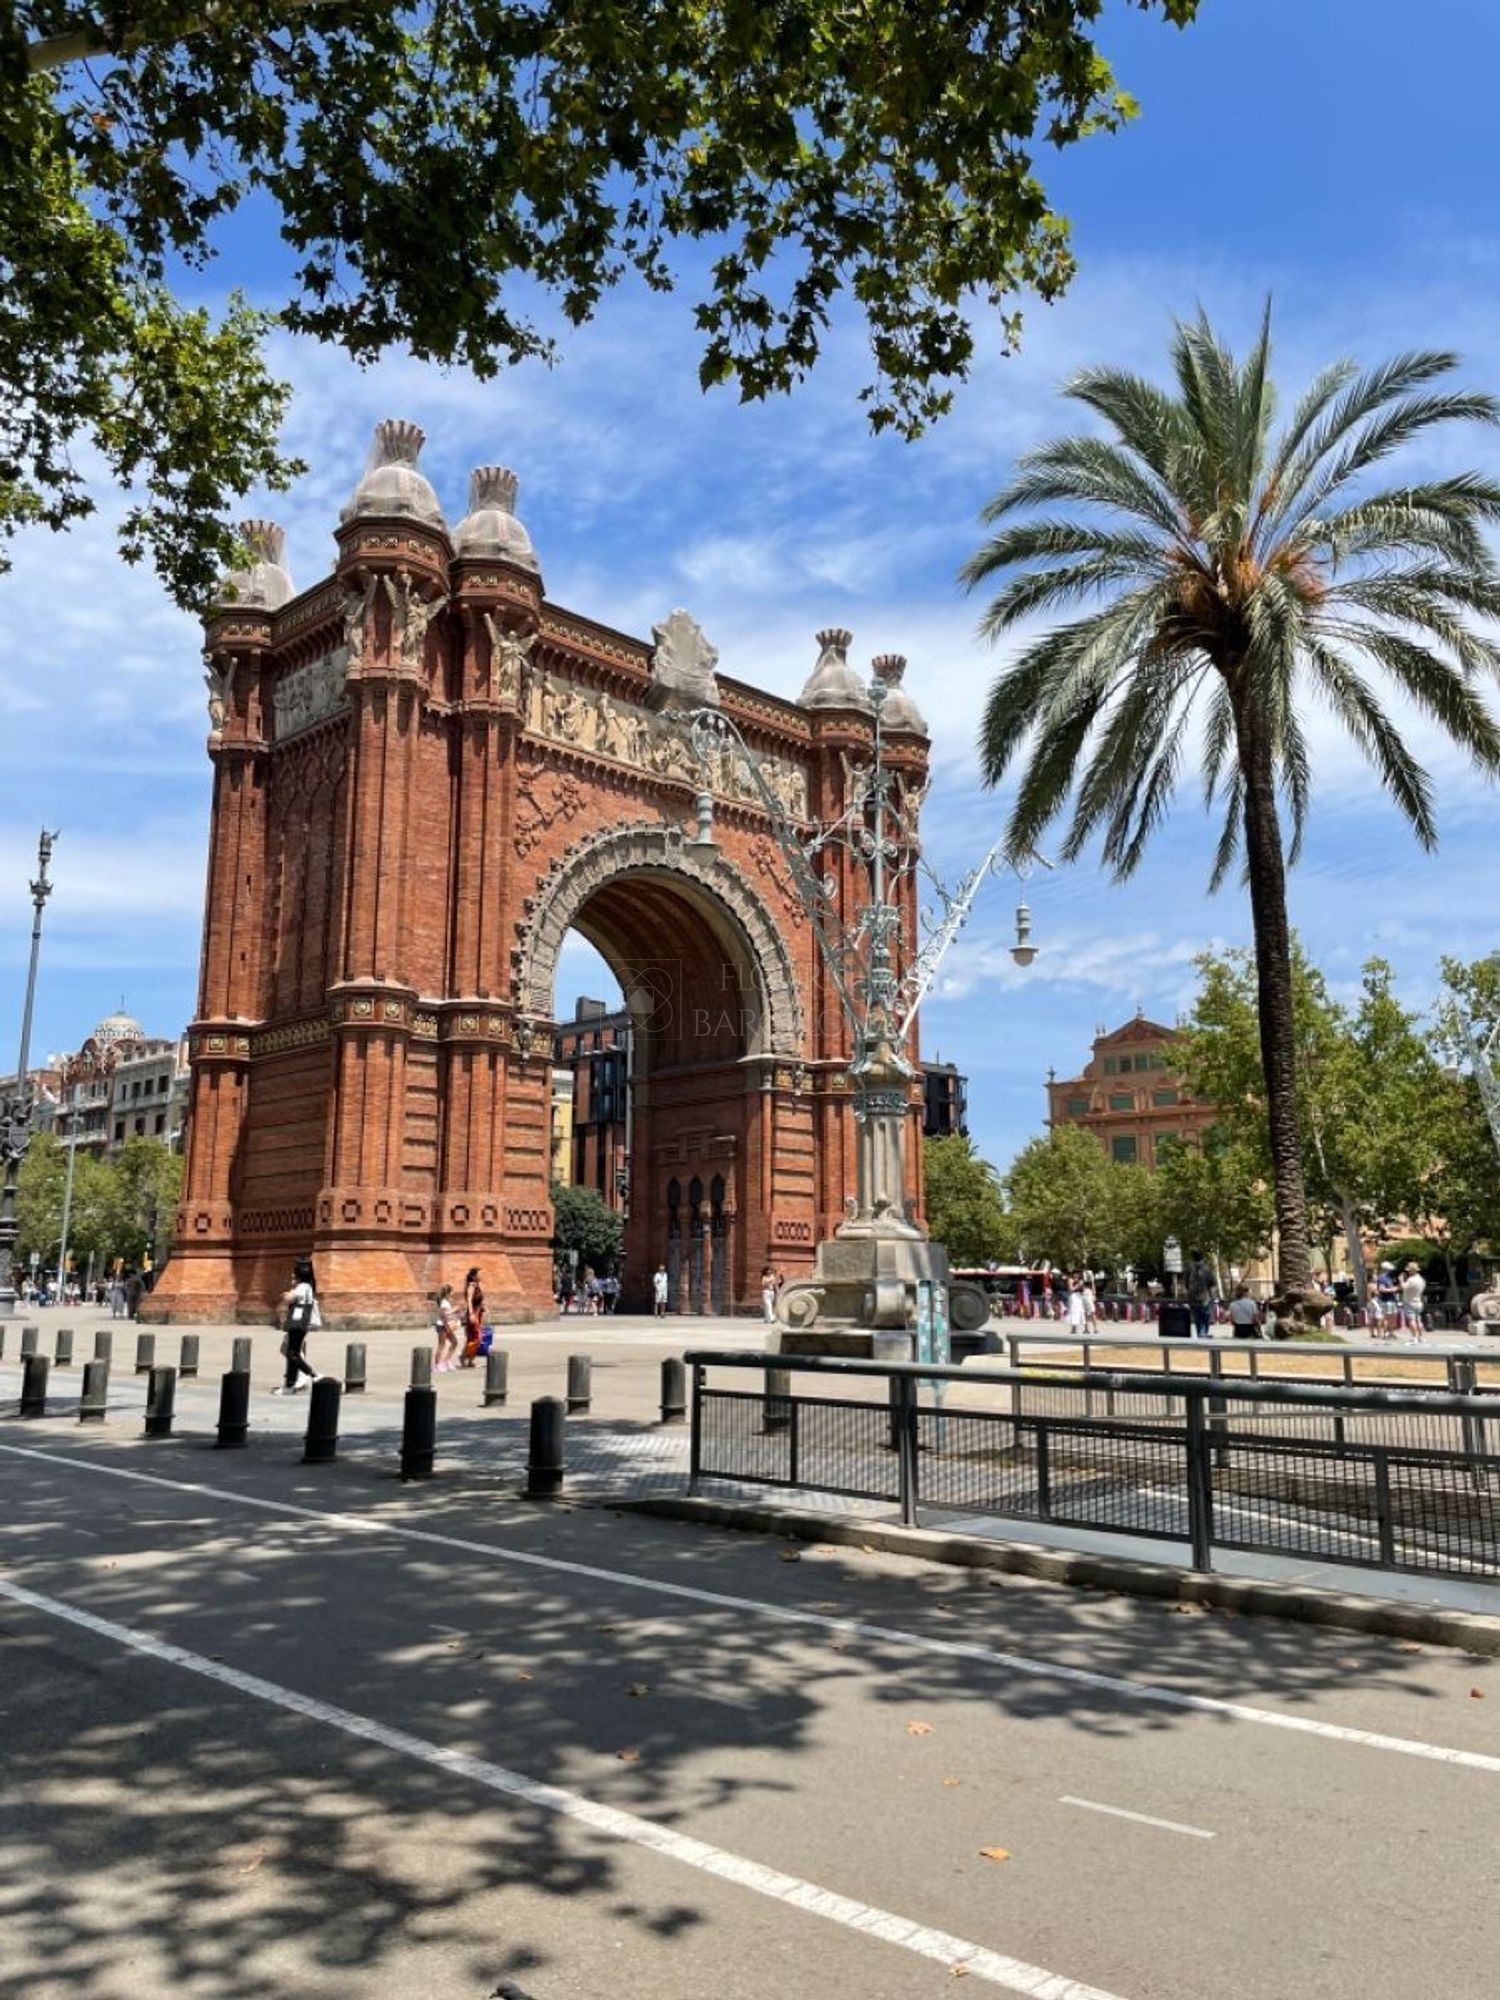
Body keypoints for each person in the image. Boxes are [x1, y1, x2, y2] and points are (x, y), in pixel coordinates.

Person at [273, 1256, 320, 1394]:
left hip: (297, 1324)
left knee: (293, 1353)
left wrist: (287, 1294)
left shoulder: (303, 1287)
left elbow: (289, 1299)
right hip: (300, 1324)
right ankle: (291, 1383)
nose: (292, 1275)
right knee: (291, 1351)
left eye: (294, 1272)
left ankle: (312, 1375)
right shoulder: (308, 1286)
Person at [1186, 1250, 1216, 1338]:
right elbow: (1212, 1283)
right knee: (1205, 1316)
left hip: (1192, 1297)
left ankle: (1200, 1332)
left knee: (1197, 1317)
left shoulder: (1189, 1269)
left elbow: (1186, 1284)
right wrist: (1212, 1295)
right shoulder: (1207, 1269)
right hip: (1204, 1297)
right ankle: (1203, 1333)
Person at [433, 1283, 462, 1373]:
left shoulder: (446, 1302)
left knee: (454, 1342)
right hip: (443, 1326)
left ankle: (446, 1361)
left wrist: (456, 1315)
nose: (453, 1293)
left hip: (446, 1325)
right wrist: (455, 1309)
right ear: (448, 1293)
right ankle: (436, 1366)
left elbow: (448, 1315)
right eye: (452, 1291)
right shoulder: (444, 1303)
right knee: (442, 1345)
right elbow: (443, 1315)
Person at [461, 1266, 485, 1367]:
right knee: (476, 1337)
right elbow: (469, 1301)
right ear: (474, 1276)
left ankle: (470, 1360)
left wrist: (484, 1307)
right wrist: (471, 1314)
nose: (481, 1276)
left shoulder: (478, 1285)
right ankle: (463, 1356)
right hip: (473, 1313)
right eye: (480, 1274)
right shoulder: (471, 1286)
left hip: (478, 1313)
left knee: (474, 1338)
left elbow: (480, 1300)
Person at [1399, 1261, 1428, 1342]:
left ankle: (1414, 1336)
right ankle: (1421, 1337)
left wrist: (1401, 1280)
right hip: (1418, 1301)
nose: (1408, 1272)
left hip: (1410, 1301)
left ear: (1411, 1271)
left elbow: (1403, 1287)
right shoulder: (1422, 1280)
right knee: (1419, 1320)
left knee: (1412, 1320)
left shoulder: (1411, 1280)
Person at [1373, 1261, 1400, 1340]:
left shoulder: (1389, 1278)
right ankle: (1386, 1334)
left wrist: (1396, 1288)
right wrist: (1393, 1289)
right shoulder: (1382, 1278)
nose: (1391, 1271)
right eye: (1389, 1270)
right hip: (1386, 1300)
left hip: (1392, 1300)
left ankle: (1391, 1333)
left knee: (1392, 1318)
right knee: (1387, 1318)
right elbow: (1381, 1289)